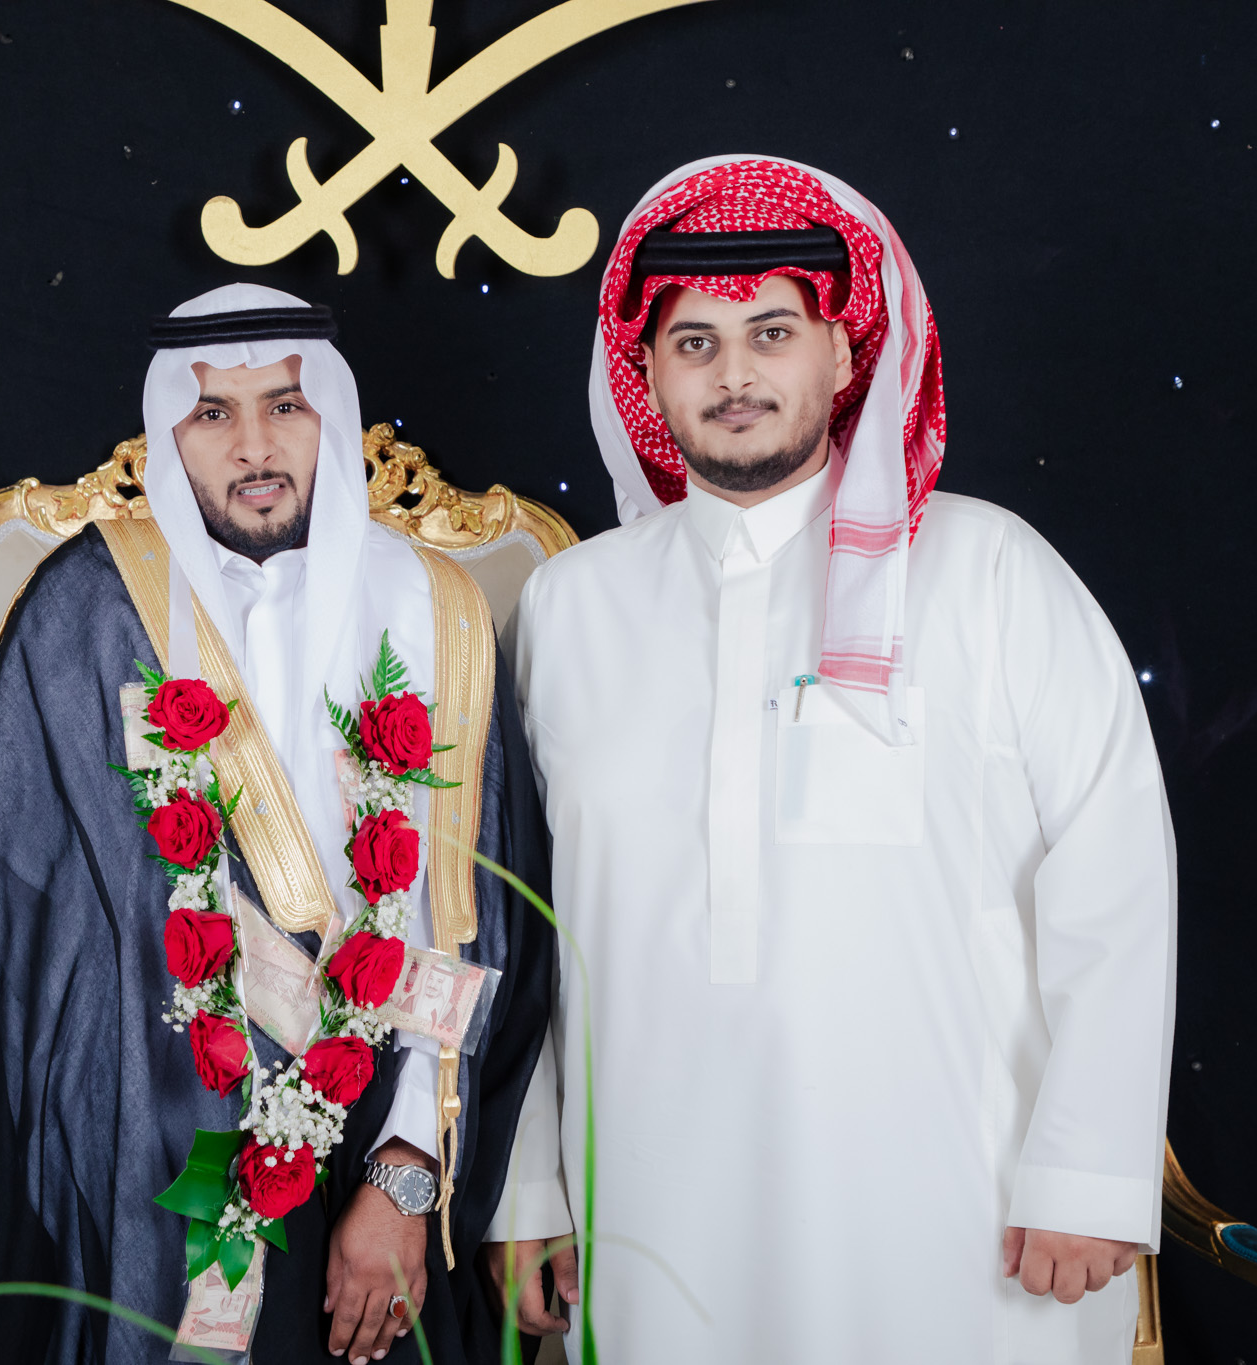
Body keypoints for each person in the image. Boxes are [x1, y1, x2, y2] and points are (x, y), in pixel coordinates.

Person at [481, 157, 1176, 1363]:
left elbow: (1112, 872)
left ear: (845, 355)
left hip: (959, 1211)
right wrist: (528, 1186)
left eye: (771, 332)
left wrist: (1088, 1169)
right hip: (651, 1206)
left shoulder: (988, 568)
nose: (732, 375)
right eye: (692, 343)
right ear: (642, 372)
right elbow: (519, 926)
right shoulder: (570, 607)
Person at [0, 284, 554, 1365]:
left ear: (330, 414)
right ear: (168, 433)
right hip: (121, 1154)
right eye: (212, 414)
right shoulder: (86, 606)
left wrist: (404, 1175)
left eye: (285, 405)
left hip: (367, 1135)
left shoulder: (434, 610)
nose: (253, 446)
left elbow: (474, 927)